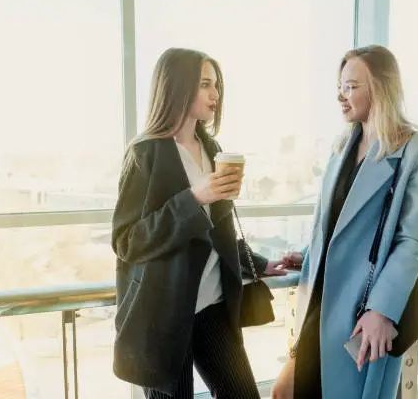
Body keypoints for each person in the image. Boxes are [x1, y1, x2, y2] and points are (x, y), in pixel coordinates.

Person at [111, 47, 287, 399]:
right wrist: (193, 199)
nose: (216, 95)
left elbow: (218, 233)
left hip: (213, 308)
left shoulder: (212, 147)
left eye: (216, 85)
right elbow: (127, 241)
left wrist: (264, 262)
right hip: (165, 317)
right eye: (205, 84)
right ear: (177, 87)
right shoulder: (145, 153)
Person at [272, 45, 418, 399]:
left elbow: (411, 240)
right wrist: (307, 254)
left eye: (351, 86)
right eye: (340, 86)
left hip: (363, 308)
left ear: (381, 88)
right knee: (289, 391)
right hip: (319, 303)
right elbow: (333, 224)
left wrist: (382, 310)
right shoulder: (342, 148)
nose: (340, 95)